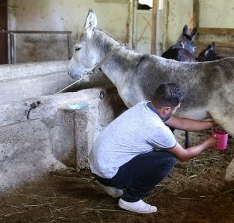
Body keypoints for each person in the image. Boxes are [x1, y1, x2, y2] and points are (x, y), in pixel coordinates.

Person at [89, 82, 219, 214]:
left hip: (96, 166)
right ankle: (131, 199)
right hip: (108, 173)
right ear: (166, 109)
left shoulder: (145, 105)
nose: (176, 111)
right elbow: (184, 155)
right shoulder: (156, 127)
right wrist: (208, 143)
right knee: (168, 159)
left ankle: (109, 183)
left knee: (157, 144)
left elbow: (181, 123)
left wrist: (212, 123)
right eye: (176, 108)